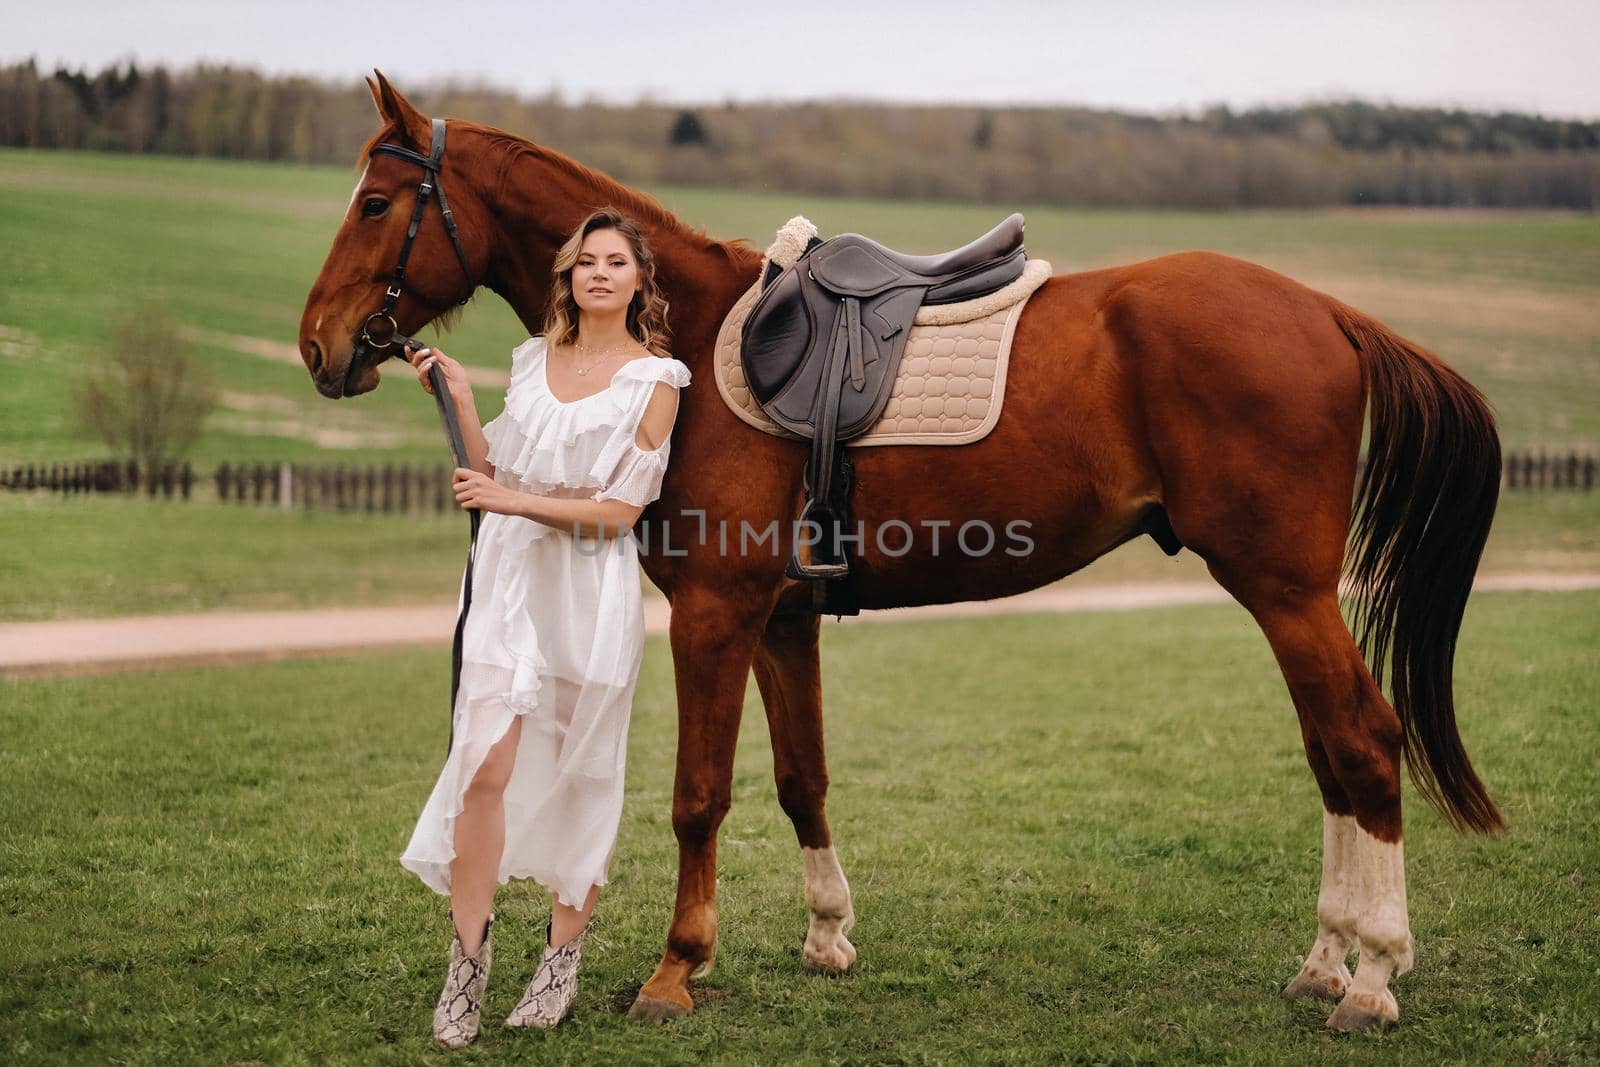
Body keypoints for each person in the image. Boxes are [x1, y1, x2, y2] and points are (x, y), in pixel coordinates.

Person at [397, 207, 690, 1047]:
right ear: (568, 275)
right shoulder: (532, 360)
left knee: (581, 775)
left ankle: (561, 960)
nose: (600, 272)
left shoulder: (657, 379)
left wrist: (511, 501)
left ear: (638, 282)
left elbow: (619, 512)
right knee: (482, 766)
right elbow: (493, 470)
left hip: (588, 595)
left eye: (617, 262)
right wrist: (457, 396)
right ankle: (467, 966)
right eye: (586, 260)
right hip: (508, 583)